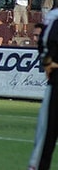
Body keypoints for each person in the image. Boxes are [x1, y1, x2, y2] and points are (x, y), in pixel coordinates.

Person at [28, 20, 58, 170]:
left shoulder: (54, 18)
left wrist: (47, 63)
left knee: (46, 136)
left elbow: (44, 45)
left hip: (56, 87)